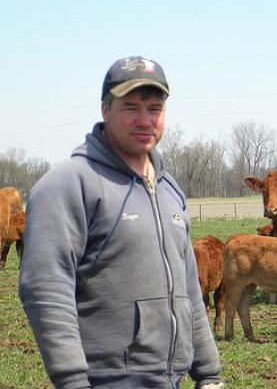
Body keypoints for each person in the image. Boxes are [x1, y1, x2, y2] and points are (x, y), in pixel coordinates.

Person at [19, 56, 224, 389]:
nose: (145, 120)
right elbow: (46, 287)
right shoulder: (70, 184)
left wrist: (210, 374)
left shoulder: (169, 190)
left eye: (155, 109)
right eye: (131, 107)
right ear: (105, 109)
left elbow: (189, 292)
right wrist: (72, 381)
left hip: (171, 381)